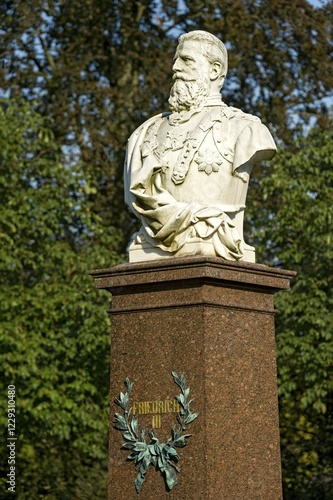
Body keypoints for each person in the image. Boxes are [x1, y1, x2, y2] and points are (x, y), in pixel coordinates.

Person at [124, 31, 276, 263]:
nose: (175, 68)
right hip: (149, 252)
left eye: (186, 60)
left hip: (216, 244)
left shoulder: (244, 129)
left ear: (214, 71)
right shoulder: (145, 132)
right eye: (176, 60)